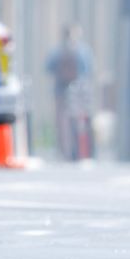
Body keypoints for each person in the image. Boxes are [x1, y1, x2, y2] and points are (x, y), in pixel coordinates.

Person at [46, 26, 93, 160]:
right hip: (78, 90)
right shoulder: (83, 50)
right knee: (80, 119)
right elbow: (88, 69)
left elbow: (48, 67)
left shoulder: (56, 51)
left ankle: (63, 149)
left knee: (61, 120)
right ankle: (80, 149)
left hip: (60, 89)